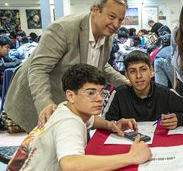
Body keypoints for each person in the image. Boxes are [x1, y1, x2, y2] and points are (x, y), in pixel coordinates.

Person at [4, 0, 129, 133]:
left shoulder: (108, 35)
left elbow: (99, 65)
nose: (116, 24)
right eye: (112, 16)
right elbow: (39, 68)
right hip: (40, 98)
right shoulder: (64, 29)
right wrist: (45, 103)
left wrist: (125, 82)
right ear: (95, 10)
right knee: (45, 149)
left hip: (71, 106)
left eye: (120, 19)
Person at [7, 64, 151, 170]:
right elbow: (70, 165)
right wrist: (131, 157)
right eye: (91, 93)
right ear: (71, 95)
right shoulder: (69, 123)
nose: (99, 98)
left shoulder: (67, 108)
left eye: (101, 92)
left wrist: (110, 125)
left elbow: (92, 120)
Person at [105, 50, 183, 129]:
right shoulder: (119, 94)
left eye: (143, 69)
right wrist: (115, 124)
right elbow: (105, 121)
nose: (138, 76)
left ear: (151, 71)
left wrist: (179, 119)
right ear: (126, 75)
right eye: (132, 71)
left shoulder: (165, 93)